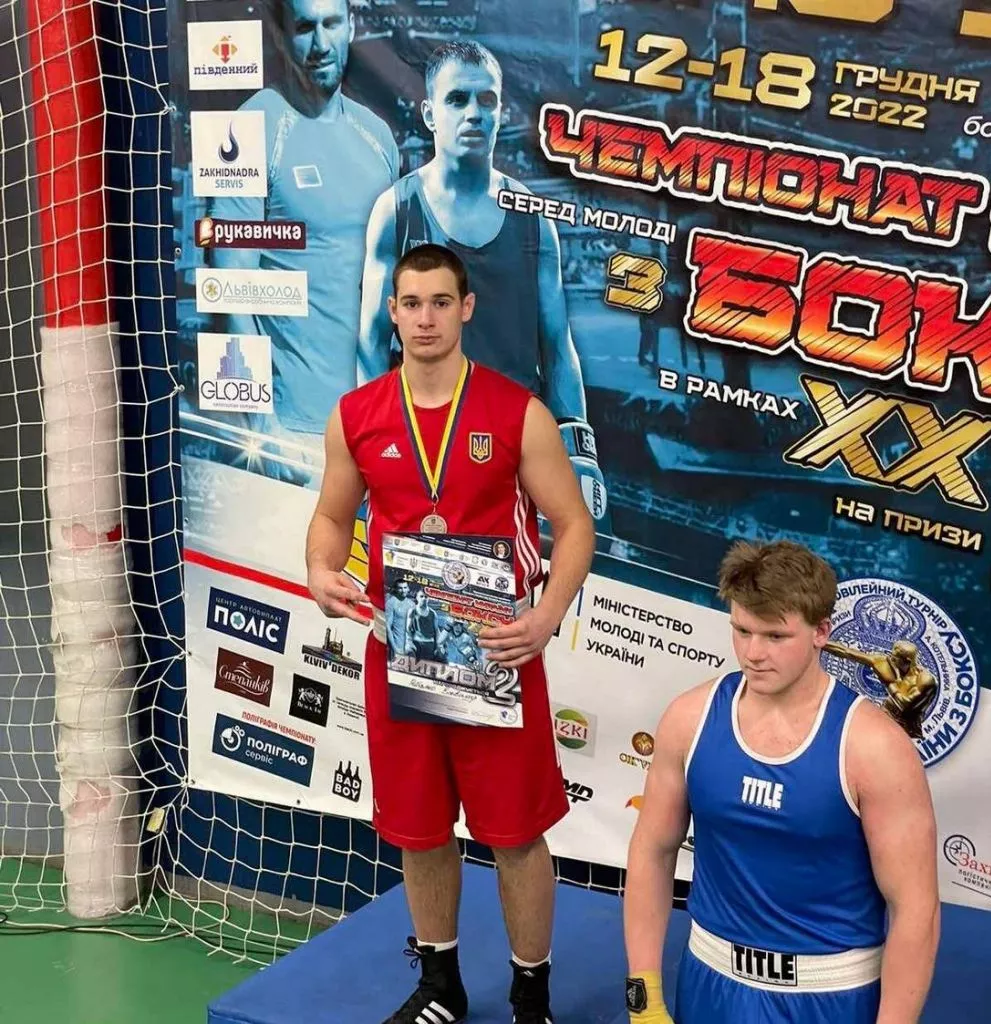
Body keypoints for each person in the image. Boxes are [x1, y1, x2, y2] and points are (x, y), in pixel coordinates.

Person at [306, 243, 595, 1023]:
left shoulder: (516, 411)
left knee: (515, 834)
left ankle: (530, 996)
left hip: (494, 649)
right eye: (412, 303)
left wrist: (546, 616)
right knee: (420, 829)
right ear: (392, 313)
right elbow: (331, 517)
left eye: (441, 302)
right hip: (401, 643)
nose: (425, 318)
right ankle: (441, 985)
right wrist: (319, 569)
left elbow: (574, 525)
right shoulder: (357, 415)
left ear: (466, 308)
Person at [623, 540, 939, 1024]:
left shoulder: (872, 748)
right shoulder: (690, 718)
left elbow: (916, 908)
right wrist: (643, 997)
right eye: (742, 631)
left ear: (821, 632)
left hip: (827, 999)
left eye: (775, 636)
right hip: (708, 982)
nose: (753, 653)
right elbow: (652, 850)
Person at [358, 41, 609, 527]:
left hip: (515, 451)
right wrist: (378, 443)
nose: (474, 112)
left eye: (486, 99)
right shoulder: (396, 210)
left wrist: (578, 444)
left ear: (500, 110)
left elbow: (557, 344)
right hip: (425, 448)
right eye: (458, 99)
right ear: (430, 115)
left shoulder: (535, 217)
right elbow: (370, 341)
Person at [208, 0, 400, 478]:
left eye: (331, 24)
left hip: (379, 428)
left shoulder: (378, 137)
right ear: (280, 36)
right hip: (296, 438)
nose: (320, 44)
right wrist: (263, 427)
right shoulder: (249, 128)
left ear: (351, 26)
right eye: (304, 27)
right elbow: (229, 291)